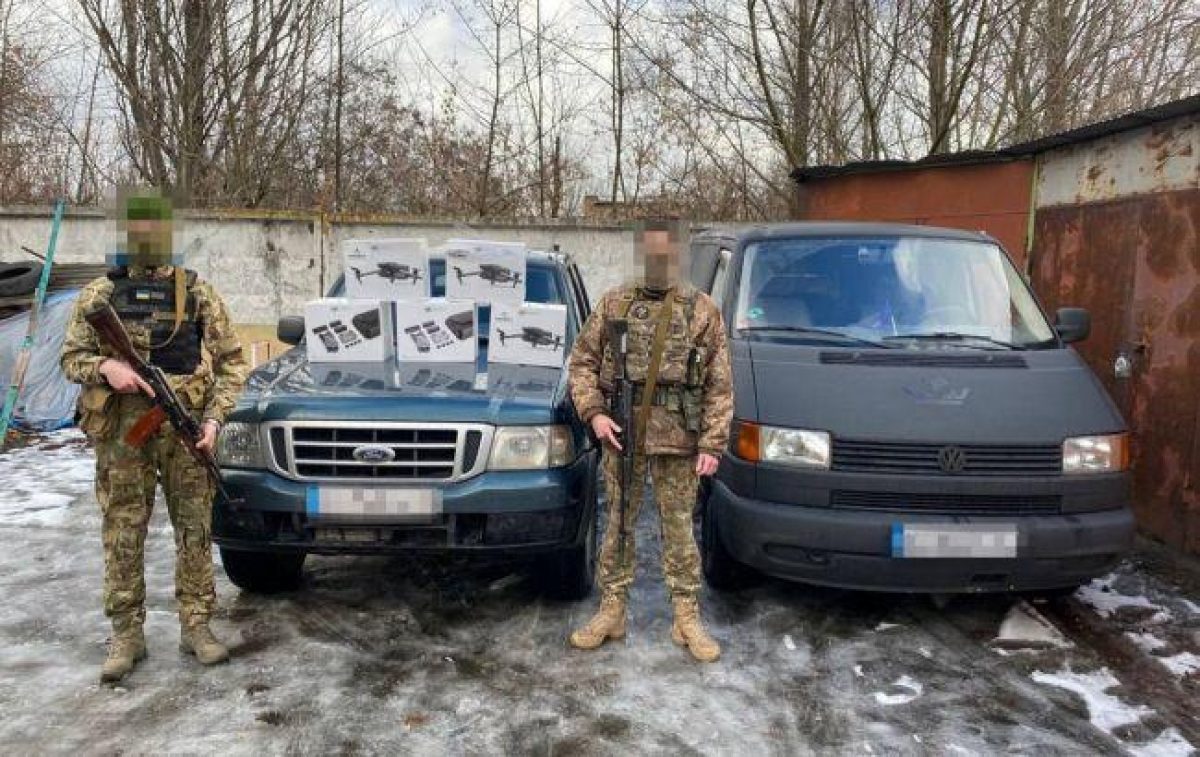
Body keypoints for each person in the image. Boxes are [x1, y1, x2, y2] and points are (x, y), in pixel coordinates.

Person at [60, 189, 248, 683]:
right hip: (124, 433)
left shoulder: (197, 292)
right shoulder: (99, 295)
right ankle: (126, 634)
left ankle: (196, 625)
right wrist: (106, 368)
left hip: (186, 432)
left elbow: (232, 363)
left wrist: (214, 420)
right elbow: (70, 359)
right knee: (124, 529)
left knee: (194, 528)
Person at [566, 221, 733, 662]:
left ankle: (686, 616)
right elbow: (581, 362)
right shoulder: (614, 303)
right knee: (618, 524)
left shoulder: (702, 310)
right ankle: (612, 610)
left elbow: (719, 384)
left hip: (679, 439)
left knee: (678, 528)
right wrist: (596, 414)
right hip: (623, 436)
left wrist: (712, 444)